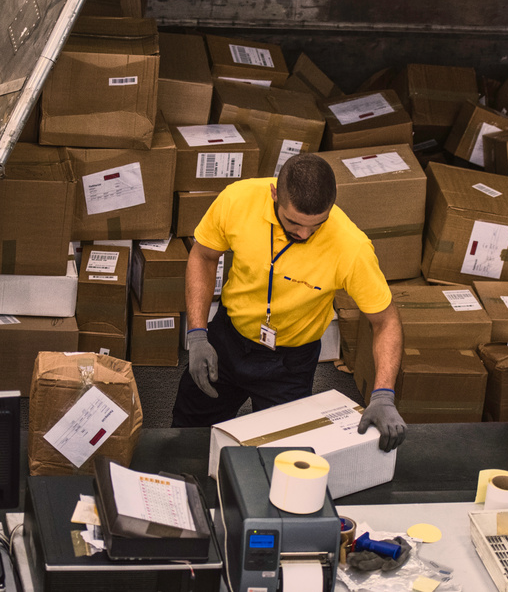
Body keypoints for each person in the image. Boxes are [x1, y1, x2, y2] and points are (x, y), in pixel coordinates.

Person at [171, 153, 408, 450]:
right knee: (187, 434)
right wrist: (196, 334)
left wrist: (383, 394)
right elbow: (204, 256)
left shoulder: (352, 248)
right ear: (274, 194)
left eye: (317, 225)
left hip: (290, 363)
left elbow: (385, 321)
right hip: (227, 341)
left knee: (280, 455)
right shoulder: (238, 200)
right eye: (294, 222)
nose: (304, 234)